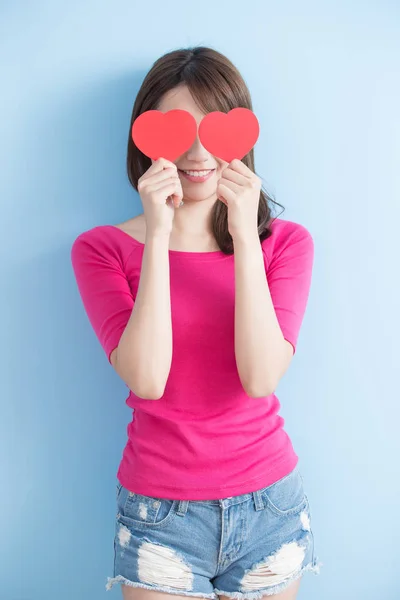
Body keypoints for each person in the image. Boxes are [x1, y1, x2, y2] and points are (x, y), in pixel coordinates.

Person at [71, 46, 319, 600]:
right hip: (160, 516)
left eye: (214, 128)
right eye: (178, 130)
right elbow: (147, 379)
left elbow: (260, 377)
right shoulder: (102, 249)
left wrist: (243, 237)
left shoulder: (287, 244)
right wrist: (158, 234)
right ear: (146, 138)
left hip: (269, 506)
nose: (198, 151)